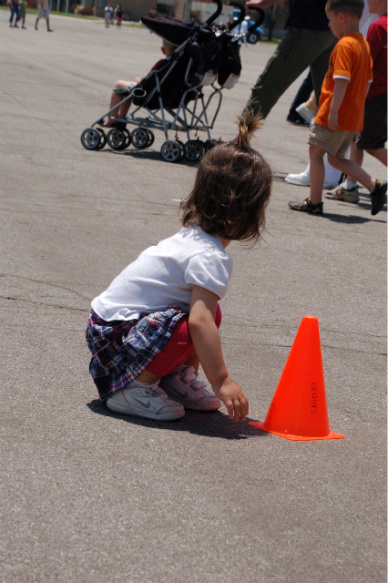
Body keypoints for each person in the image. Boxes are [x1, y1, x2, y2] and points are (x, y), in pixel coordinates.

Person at [86, 110, 272, 422]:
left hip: (110, 327)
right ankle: (133, 389)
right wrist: (222, 381)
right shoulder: (210, 256)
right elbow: (199, 325)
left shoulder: (196, 233)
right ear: (247, 212)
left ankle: (172, 379)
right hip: (115, 337)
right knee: (196, 323)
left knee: (209, 312)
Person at [288, 0, 387, 216]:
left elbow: (341, 79)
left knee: (316, 154)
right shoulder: (363, 44)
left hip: (334, 115)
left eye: (330, 20)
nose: (329, 25)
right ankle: (373, 185)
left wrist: (332, 111)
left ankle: (314, 202)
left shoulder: (344, 45)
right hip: (352, 117)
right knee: (335, 159)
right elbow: (368, 82)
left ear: (342, 18)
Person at [325, 0, 387, 203]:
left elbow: (365, 61)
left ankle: (354, 185)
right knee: (357, 141)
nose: (367, 2)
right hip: (381, 93)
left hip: (373, 94)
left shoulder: (379, 27)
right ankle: (350, 186)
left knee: (373, 145)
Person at [244, 0, 337, 120]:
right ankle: (335, 138)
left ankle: (242, 137)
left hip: (307, 28)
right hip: (333, 29)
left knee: (269, 85)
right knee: (327, 95)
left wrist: (263, 3)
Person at [101, 39, 176, 128]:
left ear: (163, 50)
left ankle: (112, 119)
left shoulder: (163, 64)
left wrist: (139, 81)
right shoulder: (178, 68)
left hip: (150, 94)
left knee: (119, 85)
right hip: (170, 94)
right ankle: (121, 118)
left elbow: (150, 78)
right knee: (132, 85)